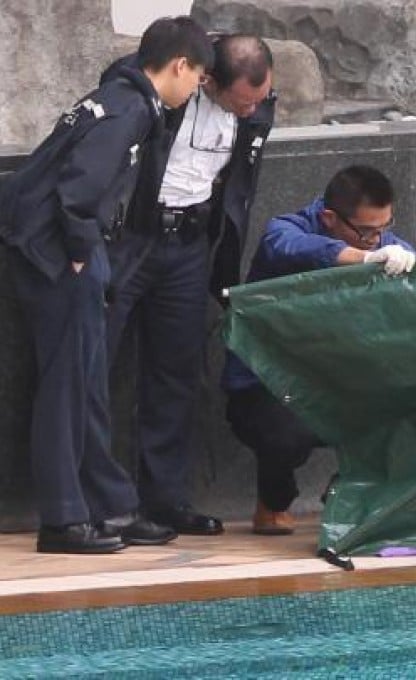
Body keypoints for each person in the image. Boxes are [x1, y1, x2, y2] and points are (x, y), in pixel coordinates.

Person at [0, 17, 213, 553]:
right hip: (60, 255)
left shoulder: (119, 95)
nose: (195, 90)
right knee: (68, 387)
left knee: (88, 384)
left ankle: (109, 504)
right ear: (180, 65)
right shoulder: (130, 109)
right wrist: (78, 253)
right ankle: (63, 519)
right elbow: (80, 189)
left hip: (68, 250)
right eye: (197, 77)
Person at [104, 35, 276, 536]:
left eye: (260, 100)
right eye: (242, 101)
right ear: (206, 80)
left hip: (190, 243)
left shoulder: (255, 107)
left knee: (175, 373)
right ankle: (97, 501)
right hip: (132, 236)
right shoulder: (161, 83)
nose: (251, 110)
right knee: (95, 363)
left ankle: (164, 500)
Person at [222, 165, 416, 534]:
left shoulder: (379, 241)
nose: (375, 240)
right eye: (366, 232)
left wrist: (405, 256)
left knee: (411, 408)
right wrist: (358, 257)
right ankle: (273, 500)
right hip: (269, 385)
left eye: (383, 229)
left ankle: (349, 494)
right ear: (330, 218)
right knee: (284, 438)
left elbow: (402, 253)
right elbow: (289, 247)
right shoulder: (286, 231)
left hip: (340, 381)